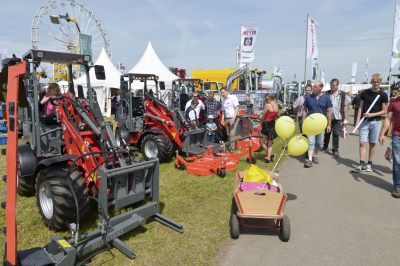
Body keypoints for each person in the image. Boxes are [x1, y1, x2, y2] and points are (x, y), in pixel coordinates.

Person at [352, 73, 389, 172]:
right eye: (374, 82)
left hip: (376, 122)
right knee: (362, 142)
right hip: (364, 122)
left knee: (372, 143)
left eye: (378, 82)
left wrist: (371, 115)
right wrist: (357, 121)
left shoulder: (383, 95)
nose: (376, 84)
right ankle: (361, 163)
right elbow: (360, 107)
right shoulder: (365, 93)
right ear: (371, 82)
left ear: (381, 82)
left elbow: (384, 111)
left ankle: (369, 164)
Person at [302, 81, 332, 168]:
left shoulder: (326, 98)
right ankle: (310, 160)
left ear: (320, 88)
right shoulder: (308, 98)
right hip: (310, 124)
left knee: (319, 143)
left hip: (321, 125)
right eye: (313, 87)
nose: (313, 88)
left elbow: (329, 111)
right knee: (311, 142)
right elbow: (304, 110)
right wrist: (304, 122)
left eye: (315, 87)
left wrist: (329, 124)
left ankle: (315, 156)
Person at [321, 78, 350, 158]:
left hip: (338, 117)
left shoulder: (343, 94)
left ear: (337, 85)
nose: (332, 87)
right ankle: (325, 146)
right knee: (327, 133)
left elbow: (345, 107)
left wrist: (345, 118)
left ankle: (335, 150)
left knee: (336, 134)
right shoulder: (326, 93)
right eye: (331, 85)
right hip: (327, 117)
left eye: (333, 85)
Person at [379, 97, 400, 198]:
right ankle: (397, 186)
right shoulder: (394, 102)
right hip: (397, 135)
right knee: (397, 161)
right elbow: (388, 118)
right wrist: (382, 133)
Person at [259, 93, 279, 163]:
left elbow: (263, 115)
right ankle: (268, 158)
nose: (265, 101)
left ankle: (269, 156)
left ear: (269, 99)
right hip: (272, 125)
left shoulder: (268, 105)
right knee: (269, 144)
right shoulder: (277, 106)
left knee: (261, 142)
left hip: (266, 125)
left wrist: (261, 119)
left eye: (266, 100)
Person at [220, 86, 239, 153]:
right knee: (228, 134)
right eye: (221, 93)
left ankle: (231, 150)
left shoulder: (233, 97)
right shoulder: (223, 100)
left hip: (233, 117)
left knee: (232, 134)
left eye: (223, 92)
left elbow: (237, 107)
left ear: (227, 91)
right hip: (227, 118)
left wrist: (233, 118)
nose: (222, 94)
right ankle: (230, 146)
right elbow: (223, 111)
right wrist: (222, 119)